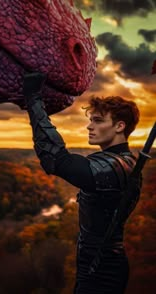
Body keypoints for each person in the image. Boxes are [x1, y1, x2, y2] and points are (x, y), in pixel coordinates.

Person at [23, 72, 142, 294]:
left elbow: (55, 159)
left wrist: (33, 98)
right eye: (90, 120)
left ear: (119, 127)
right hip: (96, 265)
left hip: (103, 271)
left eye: (98, 120)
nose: (89, 126)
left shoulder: (117, 167)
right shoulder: (122, 162)